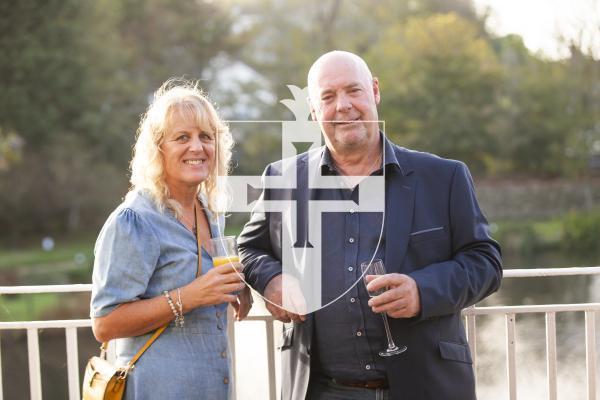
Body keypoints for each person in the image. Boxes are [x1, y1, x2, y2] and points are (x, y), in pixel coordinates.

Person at [238, 51, 502, 400]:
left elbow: (485, 262)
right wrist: (272, 280)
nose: (343, 105)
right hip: (320, 390)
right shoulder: (282, 178)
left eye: (353, 90)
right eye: (328, 97)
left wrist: (423, 291)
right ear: (313, 110)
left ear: (375, 91)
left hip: (427, 387)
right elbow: (250, 248)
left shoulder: (444, 176)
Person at [90, 79, 251, 399]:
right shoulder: (134, 220)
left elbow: (205, 283)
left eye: (206, 137)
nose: (197, 147)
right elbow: (105, 323)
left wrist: (236, 289)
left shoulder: (207, 211)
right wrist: (189, 296)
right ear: (158, 148)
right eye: (182, 137)